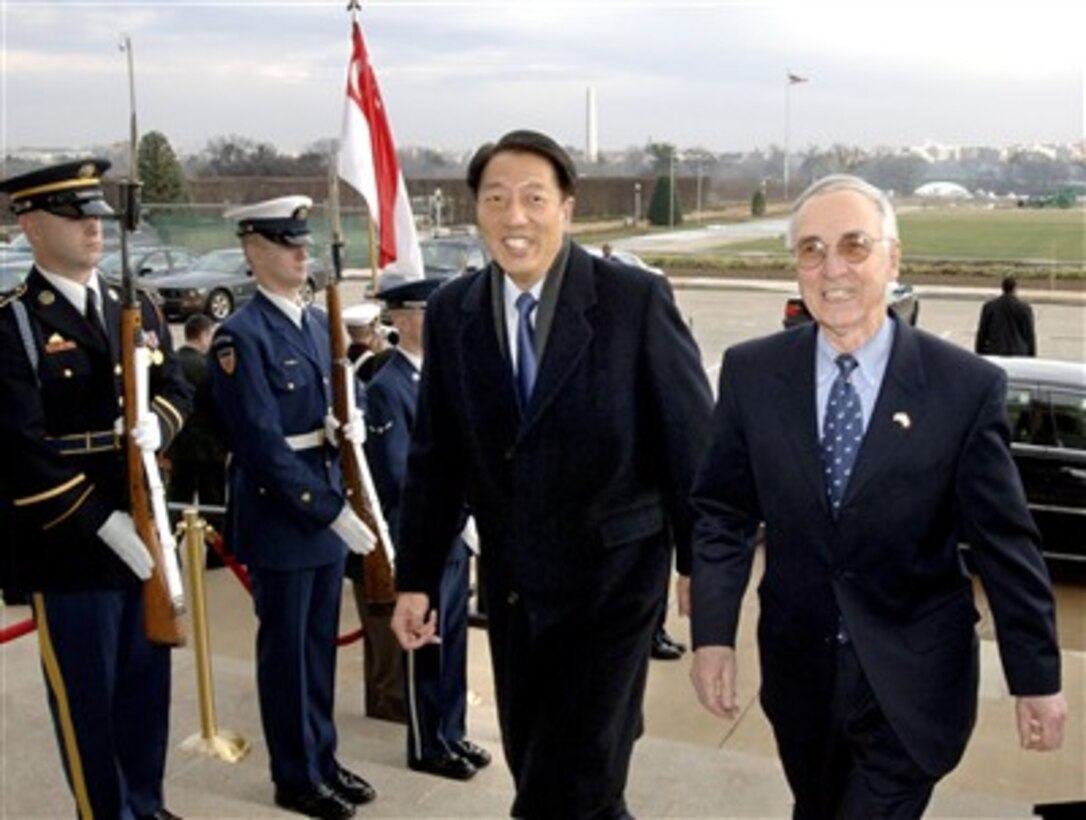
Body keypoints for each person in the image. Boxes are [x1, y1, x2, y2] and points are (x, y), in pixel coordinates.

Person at [689, 174, 1066, 820]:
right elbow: (722, 512)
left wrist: (1037, 677)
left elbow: (1006, 543)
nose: (831, 268)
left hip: (913, 684)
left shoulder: (964, 388)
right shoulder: (753, 374)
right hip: (800, 672)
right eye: (811, 249)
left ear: (893, 257)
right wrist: (712, 635)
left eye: (854, 245)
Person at [390, 129, 713, 818]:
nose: (516, 217)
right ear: (475, 210)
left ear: (567, 207)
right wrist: (415, 577)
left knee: (568, 783)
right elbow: (437, 457)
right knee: (546, 765)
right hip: (513, 593)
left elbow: (691, 445)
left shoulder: (633, 302)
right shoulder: (454, 312)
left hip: (613, 590)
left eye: (535, 198)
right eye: (497, 199)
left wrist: (703, 567)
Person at [0, 158, 192, 820]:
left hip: (146, 529)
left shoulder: (131, 306)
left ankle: (148, 803)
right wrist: (102, 521)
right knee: (90, 703)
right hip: (72, 546)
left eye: (96, 217)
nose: (93, 229)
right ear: (29, 224)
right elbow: (17, 448)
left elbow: (175, 389)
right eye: (74, 216)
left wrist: (155, 427)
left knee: (145, 691)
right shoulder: (13, 323)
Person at [207, 196, 378, 820]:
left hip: (326, 506)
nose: (303, 252)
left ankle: (323, 759)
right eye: (287, 242)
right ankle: (294, 775)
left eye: (303, 242)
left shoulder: (313, 323)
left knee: (319, 650)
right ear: (254, 251)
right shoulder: (240, 336)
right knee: (287, 658)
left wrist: (343, 426)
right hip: (284, 516)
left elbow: (331, 406)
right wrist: (330, 509)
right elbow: (258, 444)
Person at [365, 271, 491, 781]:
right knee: (428, 644)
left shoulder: (442, 376)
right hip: (424, 535)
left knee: (455, 640)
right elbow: (400, 473)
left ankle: (452, 732)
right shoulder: (387, 387)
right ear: (400, 318)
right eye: (425, 311)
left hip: (457, 531)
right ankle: (426, 742)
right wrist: (456, 516)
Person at [166, 313, 228, 564]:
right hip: (210, 448)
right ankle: (216, 554)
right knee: (212, 500)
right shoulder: (208, 368)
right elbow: (220, 407)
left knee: (178, 499)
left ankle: (170, 550)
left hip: (179, 447)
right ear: (204, 335)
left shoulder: (172, 364)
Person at [975, 275, 1036, 357]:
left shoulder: (989, 307)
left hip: (995, 351)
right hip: (1018, 352)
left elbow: (982, 332)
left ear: (1002, 288)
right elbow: (1029, 335)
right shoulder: (1025, 309)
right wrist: (1031, 355)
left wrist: (979, 352)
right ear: (1015, 288)